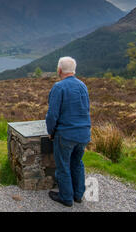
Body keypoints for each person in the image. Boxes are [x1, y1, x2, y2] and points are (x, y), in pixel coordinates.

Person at [45, 56, 91, 207]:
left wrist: (50, 131)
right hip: (83, 133)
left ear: (59, 70)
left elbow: (52, 115)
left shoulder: (59, 87)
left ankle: (66, 197)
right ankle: (78, 195)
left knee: (63, 166)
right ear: (73, 70)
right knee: (77, 163)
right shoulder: (83, 86)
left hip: (66, 134)